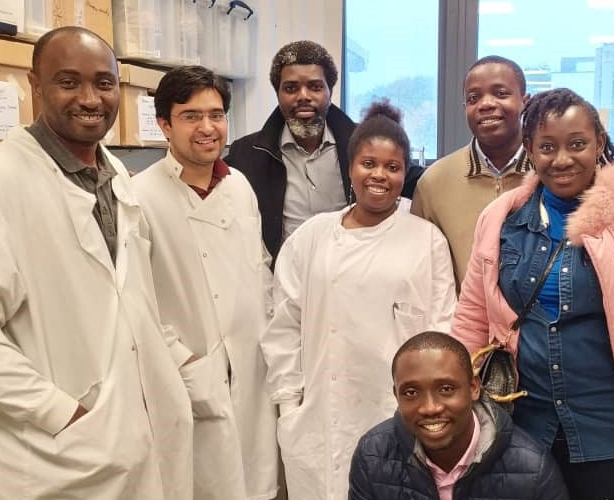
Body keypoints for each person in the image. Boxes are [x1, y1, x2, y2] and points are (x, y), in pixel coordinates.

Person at [0, 27, 200, 499]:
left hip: (141, 429)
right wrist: (59, 411)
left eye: (104, 83)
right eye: (68, 82)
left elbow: (130, 299)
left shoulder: (115, 175)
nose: (90, 99)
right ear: (35, 85)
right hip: (58, 455)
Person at [452, 88, 614, 500]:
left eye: (577, 144)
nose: (562, 159)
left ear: (599, 143)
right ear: (529, 149)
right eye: (547, 147)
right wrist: (457, 417)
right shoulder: (501, 218)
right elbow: (472, 320)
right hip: (521, 433)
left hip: (613, 438)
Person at [261, 101, 457, 500]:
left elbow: (443, 328)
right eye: (369, 163)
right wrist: (289, 403)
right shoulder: (312, 236)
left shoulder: (426, 239)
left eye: (392, 167)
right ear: (350, 167)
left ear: (405, 173)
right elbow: (283, 324)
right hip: (320, 414)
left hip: (396, 410)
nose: (379, 175)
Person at [131, 66, 278, 500]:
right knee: (204, 485)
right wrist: (185, 361)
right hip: (188, 372)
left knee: (257, 482)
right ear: (165, 124)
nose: (207, 127)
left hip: (252, 366)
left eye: (216, 115)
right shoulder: (139, 197)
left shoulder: (240, 186)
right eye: (191, 116)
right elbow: (135, 301)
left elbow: (260, 267)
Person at [349, 331, 569, 500]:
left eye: (446, 389)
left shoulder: (532, 471)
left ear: (474, 388)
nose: (430, 408)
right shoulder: (372, 455)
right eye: (411, 392)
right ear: (396, 395)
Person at [224, 40, 355, 263]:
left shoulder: (362, 147)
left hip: (349, 273)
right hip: (282, 278)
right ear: (278, 93)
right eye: (291, 88)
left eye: (315, 87)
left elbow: (410, 183)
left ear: (330, 91)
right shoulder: (246, 154)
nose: (303, 96)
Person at [411, 55, 533, 288]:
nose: (486, 104)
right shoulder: (434, 182)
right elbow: (420, 268)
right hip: (461, 310)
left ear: (525, 102)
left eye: (501, 93)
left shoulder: (550, 175)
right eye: (473, 98)